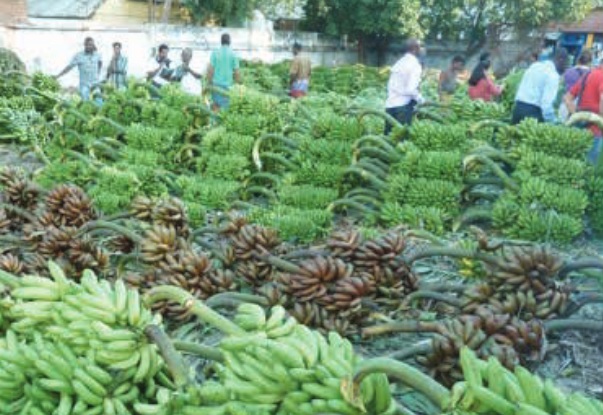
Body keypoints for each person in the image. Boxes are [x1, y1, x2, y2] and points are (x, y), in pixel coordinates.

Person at [511, 48, 569, 125]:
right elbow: (546, 104)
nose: (565, 67)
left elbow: (521, 86)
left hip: (518, 109)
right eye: (565, 64)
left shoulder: (535, 66)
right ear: (560, 59)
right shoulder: (552, 75)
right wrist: (553, 121)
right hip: (532, 114)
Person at [563, 57, 603, 164]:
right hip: (594, 131)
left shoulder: (588, 75)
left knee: (570, 164)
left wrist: (576, 115)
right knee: (587, 169)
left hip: (577, 128)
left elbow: (567, 98)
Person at [384, 38, 424, 134]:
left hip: (390, 105)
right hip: (403, 108)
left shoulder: (399, 63)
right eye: (420, 47)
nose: (421, 49)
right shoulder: (415, 65)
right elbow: (411, 89)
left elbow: (390, 84)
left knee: (388, 138)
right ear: (415, 49)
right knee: (401, 139)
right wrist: (421, 99)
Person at [55, 37, 102, 102]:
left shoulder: (97, 55)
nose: (89, 46)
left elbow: (100, 63)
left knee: (99, 102)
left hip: (95, 84)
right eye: (87, 45)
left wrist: (98, 73)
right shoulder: (79, 56)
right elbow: (69, 67)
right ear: (84, 45)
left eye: (91, 45)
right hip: (85, 85)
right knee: (86, 103)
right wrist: (58, 75)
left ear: (93, 45)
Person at [207, 33, 241, 112]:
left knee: (215, 106)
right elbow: (237, 72)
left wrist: (209, 82)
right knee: (225, 109)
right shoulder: (234, 54)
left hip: (216, 85)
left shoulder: (215, 53)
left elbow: (210, 70)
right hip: (228, 86)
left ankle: (213, 123)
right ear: (230, 42)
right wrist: (238, 84)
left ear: (221, 41)